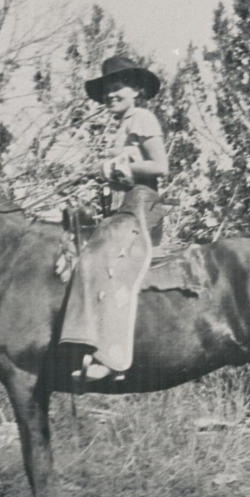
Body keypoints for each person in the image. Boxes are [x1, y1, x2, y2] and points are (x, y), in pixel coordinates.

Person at [59, 56, 169, 382]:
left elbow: (160, 166)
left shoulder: (143, 118)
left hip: (141, 203)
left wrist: (112, 169)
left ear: (136, 89)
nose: (110, 93)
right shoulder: (121, 126)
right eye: (106, 88)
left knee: (96, 257)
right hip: (122, 205)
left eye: (117, 86)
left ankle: (107, 355)